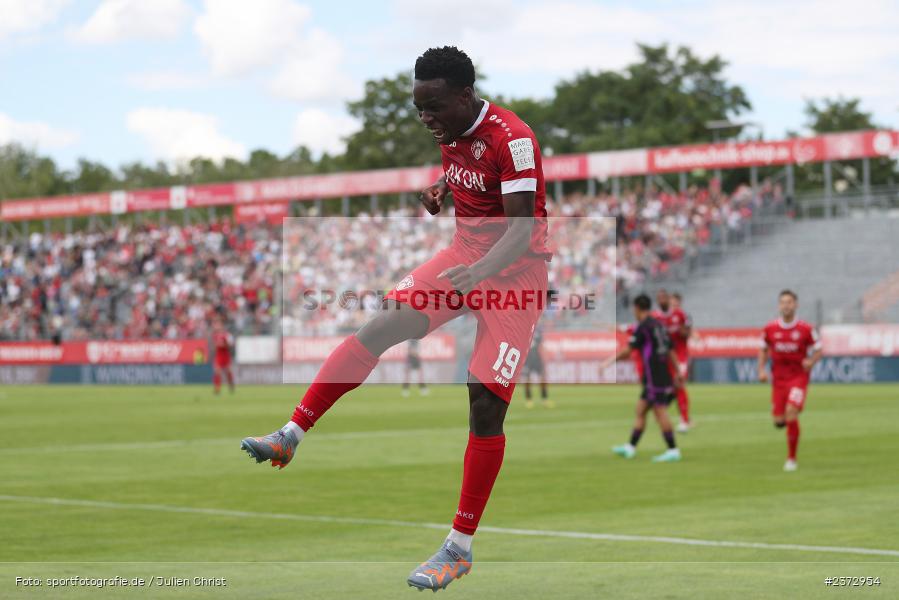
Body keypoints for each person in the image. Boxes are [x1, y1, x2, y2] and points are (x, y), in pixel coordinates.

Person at [240, 46, 550, 592]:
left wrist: (479, 273)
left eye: (433, 107)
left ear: (465, 95)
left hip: (514, 276)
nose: (426, 118)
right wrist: (444, 187)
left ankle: (458, 548)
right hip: (463, 258)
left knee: (484, 401)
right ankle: (291, 433)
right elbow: (468, 168)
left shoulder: (515, 139)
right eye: (418, 108)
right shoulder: (449, 129)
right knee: (378, 326)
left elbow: (522, 231)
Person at [602, 294, 683, 462]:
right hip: (659, 373)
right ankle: (630, 447)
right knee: (641, 410)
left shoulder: (644, 326)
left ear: (637, 308)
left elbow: (628, 350)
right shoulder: (659, 325)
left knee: (660, 412)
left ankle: (673, 450)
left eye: (634, 308)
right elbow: (670, 349)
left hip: (654, 375)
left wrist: (608, 362)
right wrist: (678, 371)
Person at [758, 290, 822, 472]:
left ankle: (791, 459)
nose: (786, 305)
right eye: (783, 302)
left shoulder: (805, 329)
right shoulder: (770, 329)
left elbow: (819, 349)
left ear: (796, 305)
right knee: (779, 421)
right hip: (778, 380)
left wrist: (811, 361)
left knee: (791, 411)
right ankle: (788, 421)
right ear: (779, 305)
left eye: (789, 302)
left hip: (798, 378)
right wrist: (761, 369)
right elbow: (763, 349)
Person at [655, 289, 693, 432]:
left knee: (679, 383)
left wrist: (682, 331)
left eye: (676, 303)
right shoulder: (656, 316)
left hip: (680, 355)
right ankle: (663, 409)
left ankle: (685, 420)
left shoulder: (681, 315)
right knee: (669, 387)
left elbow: (687, 332)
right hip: (666, 357)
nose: (674, 305)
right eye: (672, 303)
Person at [522, 323, 553, 408]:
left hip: (537, 358)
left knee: (542, 378)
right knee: (528, 379)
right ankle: (529, 399)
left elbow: (541, 345)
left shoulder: (538, 331)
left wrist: (544, 358)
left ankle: (544, 399)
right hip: (528, 358)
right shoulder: (525, 330)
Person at [211, 318, 235, 395]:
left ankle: (231, 385)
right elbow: (215, 346)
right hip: (219, 355)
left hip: (225, 355)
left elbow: (231, 345)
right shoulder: (215, 335)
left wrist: (224, 345)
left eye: (218, 325)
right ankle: (217, 389)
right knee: (217, 372)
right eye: (215, 325)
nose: (216, 326)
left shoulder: (227, 335)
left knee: (228, 372)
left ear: (221, 326)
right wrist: (217, 346)